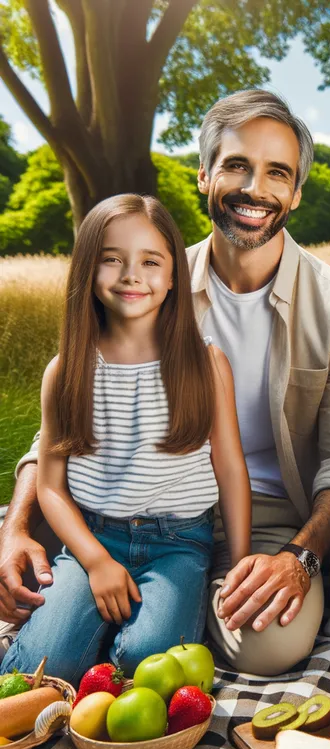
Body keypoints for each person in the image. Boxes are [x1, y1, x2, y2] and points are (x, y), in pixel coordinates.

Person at [0, 90, 330, 676]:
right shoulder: (153, 281)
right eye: (236, 165)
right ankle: (123, 610)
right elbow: (62, 428)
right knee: (48, 625)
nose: (255, 188)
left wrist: (298, 558)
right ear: (204, 175)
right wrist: (17, 528)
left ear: (297, 192)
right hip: (120, 505)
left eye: (277, 173)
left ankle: (163, 605)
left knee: (270, 648)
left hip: (274, 512)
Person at [0, 195, 250, 685]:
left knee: (147, 661)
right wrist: (94, 561)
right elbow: (50, 486)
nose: (131, 274)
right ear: (87, 272)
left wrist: (237, 562)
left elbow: (231, 469)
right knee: (41, 669)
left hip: (179, 543)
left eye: (150, 261)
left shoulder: (206, 364)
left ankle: (113, 639)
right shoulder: (66, 371)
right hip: (94, 536)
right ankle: (81, 632)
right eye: (111, 259)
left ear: (174, 275)